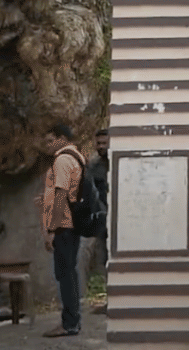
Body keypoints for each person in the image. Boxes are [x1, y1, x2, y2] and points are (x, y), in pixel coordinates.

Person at [39, 124, 86, 338]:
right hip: (69, 225)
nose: (47, 145)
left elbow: (61, 195)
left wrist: (51, 229)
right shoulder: (75, 156)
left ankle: (69, 323)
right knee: (68, 273)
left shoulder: (62, 159)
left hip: (64, 226)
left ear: (62, 138)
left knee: (65, 274)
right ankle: (72, 321)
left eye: (51, 140)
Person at [87, 129, 110, 314]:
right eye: (98, 143)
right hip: (103, 220)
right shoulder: (94, 167)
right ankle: (110, 300)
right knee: (104, 260)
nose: (101, 147)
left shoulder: (119, 163)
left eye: (104, 143)